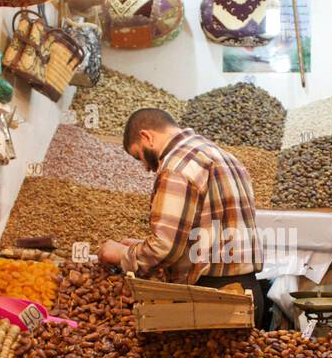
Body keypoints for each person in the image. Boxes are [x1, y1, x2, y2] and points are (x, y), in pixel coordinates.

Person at [99, 108, 266, 325]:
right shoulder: (223, 156)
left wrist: (122, 254)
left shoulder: (177, 165)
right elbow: (208, 233)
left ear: (146, 137)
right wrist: (142, 245)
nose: (146, 167)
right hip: (248, 291)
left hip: (214, 300)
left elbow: (165, 248)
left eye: (139, 156)